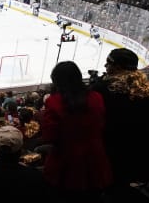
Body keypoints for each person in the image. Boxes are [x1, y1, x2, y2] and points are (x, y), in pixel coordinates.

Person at [90, 48, 149, 187]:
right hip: (144, 150)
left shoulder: (103, 89)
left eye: (108, 63)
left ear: (116, 67)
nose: (105, 66)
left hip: (111, 150)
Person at [42, 61, 112, 203]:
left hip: (66, 164)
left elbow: (50, 136)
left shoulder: (54, 102)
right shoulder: (96, 97)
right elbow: (101, 124)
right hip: (95, 160)